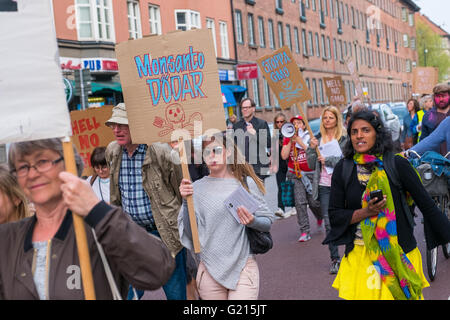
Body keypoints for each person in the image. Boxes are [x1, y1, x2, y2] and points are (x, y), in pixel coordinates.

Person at [0, 138, 175, 299]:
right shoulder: (7, 237)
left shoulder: (100, 227)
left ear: (68, 165)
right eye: (23, 167)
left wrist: (96, 210)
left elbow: (157, 270)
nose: (32, 174)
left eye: (42, 162)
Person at [324, 110, 450, 300]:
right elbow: (334, 215)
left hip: (399, 254)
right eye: (354, 132)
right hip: (361, 255)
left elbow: (427, 206)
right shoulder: (344, 167)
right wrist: (366, 212)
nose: (359, 136)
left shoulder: (397, 164)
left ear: (377, 133)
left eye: (365, 130)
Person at [105, 103, 187, 300]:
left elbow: (179, 190)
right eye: (114, 125)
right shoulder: (112, 152)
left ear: (138, 125)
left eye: (122, 125)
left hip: (164, 233)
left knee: (175, 293)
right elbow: (116, 196)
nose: (117, 130)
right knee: (128, 294)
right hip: (132, 235)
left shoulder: (161, 151)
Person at [178, 132, 273, 300]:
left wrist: (252, 221)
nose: (212, 156)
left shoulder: (245, 184)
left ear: (228, 151)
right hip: (208, 269)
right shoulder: (196, 189)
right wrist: (186, 202)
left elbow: (266, 223)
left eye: (216, 150)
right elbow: (191, 235)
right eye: (207, 152)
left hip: (243, 265)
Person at [307, 106, 348, 274]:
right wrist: (311, 148)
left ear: (336, 119)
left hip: (341, 185)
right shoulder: (317, 138)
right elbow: (311, 164)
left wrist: (329, 160)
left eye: (331, 117)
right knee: (328, 223)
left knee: (346, 220)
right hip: (324, 186)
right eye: (325, 118)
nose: (327, 121)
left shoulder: (344, 138)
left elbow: (347, 161)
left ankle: (349, 256)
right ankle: (335, 259)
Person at [281, 115, 322, 242]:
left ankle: (319, 215)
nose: (296, 125)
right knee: (300, 202)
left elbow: (313, 152)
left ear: (304, 125)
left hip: (310, 174)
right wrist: (289, 141)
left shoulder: (309, 137)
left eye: (299, 123)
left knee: (314, 202)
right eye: (294, 124)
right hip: (295, 175)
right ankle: (305, 231)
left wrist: (300, 142)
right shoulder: (287, 138)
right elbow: (284, 156)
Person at [233, 98, 271, 181]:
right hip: (243, 168)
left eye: (247, 107)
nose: (245, 109)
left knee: (258, 193)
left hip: (257, 168)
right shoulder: (237, 126)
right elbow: (234, 147)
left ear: (253, 109)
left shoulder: (261, 124)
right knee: (244, 193)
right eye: (243, 108)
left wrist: (254, 134)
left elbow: (268, 143)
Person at [271, 112, 292, 218]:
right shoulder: (275, 134)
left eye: (281, 121)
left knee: (291, 185)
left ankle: (294, 207)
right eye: (277, 122)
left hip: (289, 162)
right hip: (279, 164)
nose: (279, 124)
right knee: (281, 186)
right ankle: (281, 208)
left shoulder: (289, 132)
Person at [421, 83, 450, 155]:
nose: (441, 99)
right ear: (434, 98)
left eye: (444, 96)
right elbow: (423, 139)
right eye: (438, 96)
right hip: (436, 160)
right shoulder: (428, 116)